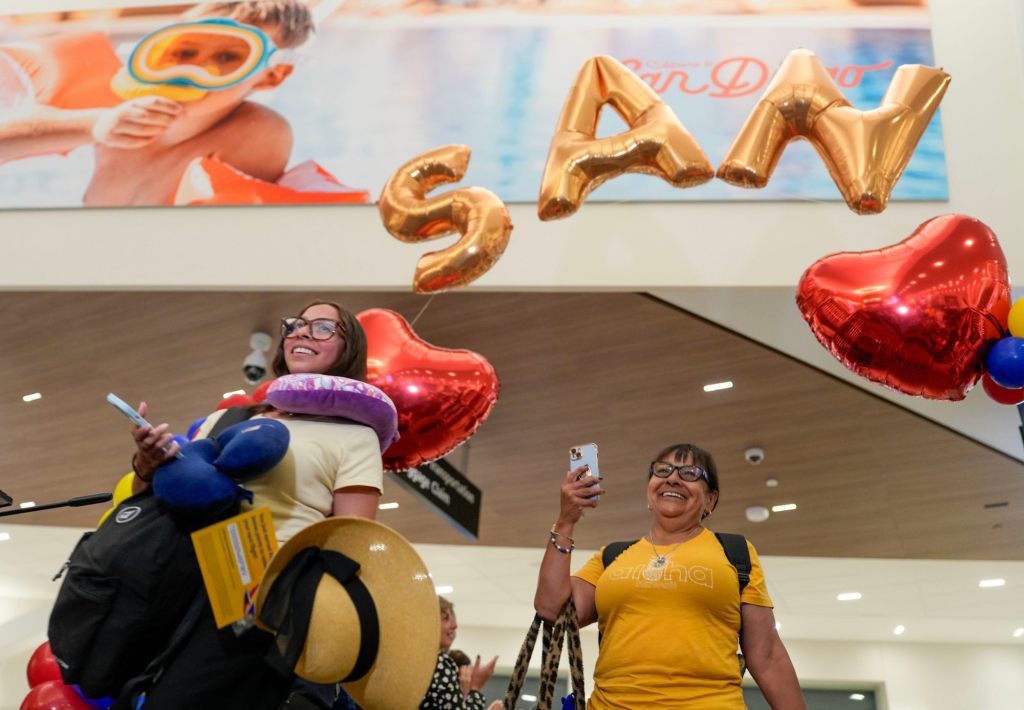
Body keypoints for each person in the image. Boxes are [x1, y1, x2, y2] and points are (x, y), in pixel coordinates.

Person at [125, 300, 384, 709]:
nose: (301, 333)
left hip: (273, 610)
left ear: (348, 347)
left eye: (322, 328)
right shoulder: (229, 420)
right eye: (296, 325)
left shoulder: (355, 436)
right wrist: (148, 461)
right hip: (191, 592)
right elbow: (151, 503)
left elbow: (350, 547)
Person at [534, 443, 805, 709]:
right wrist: (566, 521)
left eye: (690, 473)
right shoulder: (612, 556)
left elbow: (767, 655)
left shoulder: (735, 552)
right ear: (649, 491)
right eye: (662, 470)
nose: (673, 478)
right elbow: (552, 608)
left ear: (710, 500)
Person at [0, 0, 311, 206]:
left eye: (229, 57)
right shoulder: (116, 104)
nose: (196, 70)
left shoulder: (258, 131)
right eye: (185, 53)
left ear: (272, 76)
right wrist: (97, 125)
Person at [419, 596, 498, 710]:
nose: (454, 625)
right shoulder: (440, 664)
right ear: (428, 622)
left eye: (453, 618)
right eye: (445, 618)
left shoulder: (412, 661)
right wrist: (475, 687)